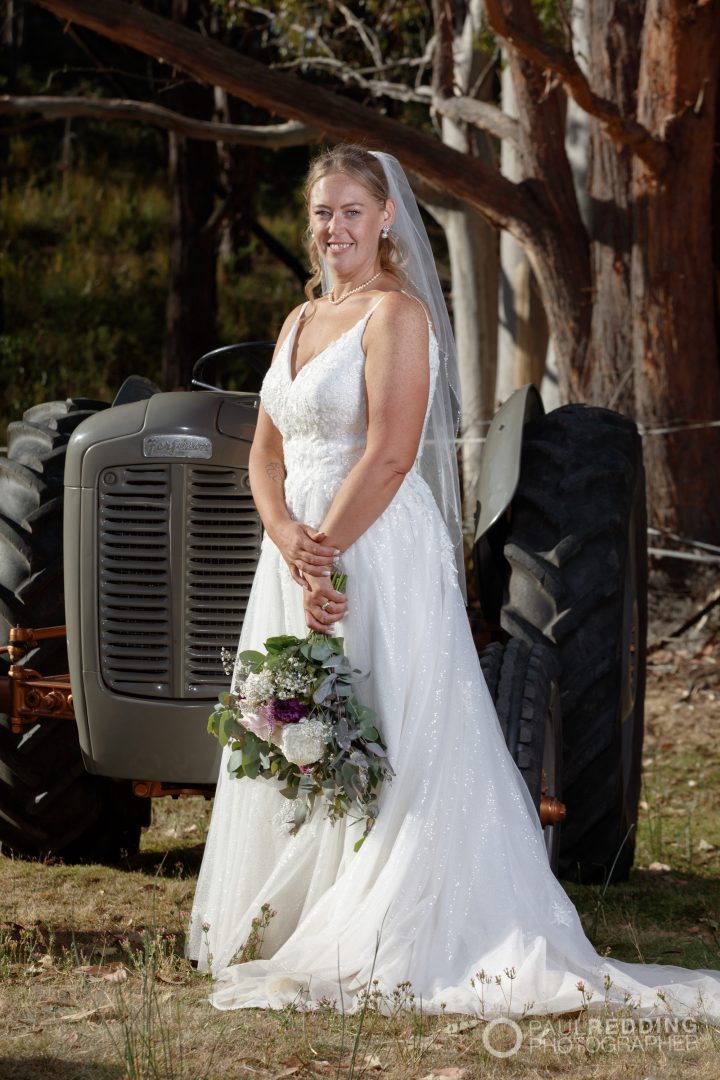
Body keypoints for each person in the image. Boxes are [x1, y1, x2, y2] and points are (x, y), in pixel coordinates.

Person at [187, 144, 720, 1022]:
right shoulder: (295, 322)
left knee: (388, 721)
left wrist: (326, 551)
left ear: (387, 215)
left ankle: (395, 916)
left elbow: (393, 455)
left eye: (352, 210)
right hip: (297, 558)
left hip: (375, 550)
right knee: (306, 721)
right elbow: (263, 454)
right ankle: (299, 909)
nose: (335, 228)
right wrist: (289, 541)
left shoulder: (397, 318)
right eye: (323, 212)